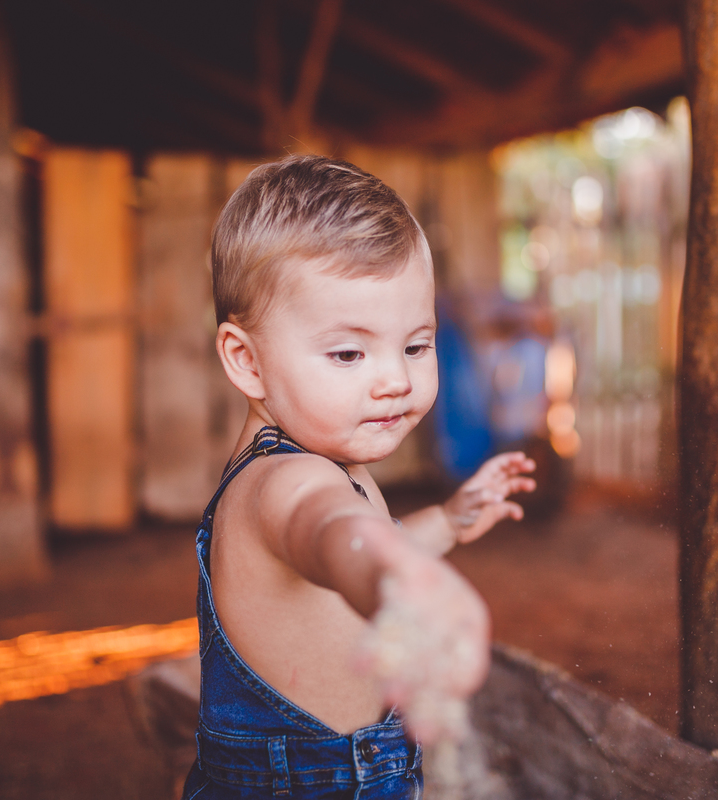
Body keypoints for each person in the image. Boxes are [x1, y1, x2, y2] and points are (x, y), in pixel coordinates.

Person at [182, 154, 536, 799]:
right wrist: (398, 578)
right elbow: (335, 535)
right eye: (348, 353)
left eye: (416, 345)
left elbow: (360, 549)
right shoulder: (281, 484)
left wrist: (446, 523)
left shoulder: (328, 466)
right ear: (247, 361)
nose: (395, 378)